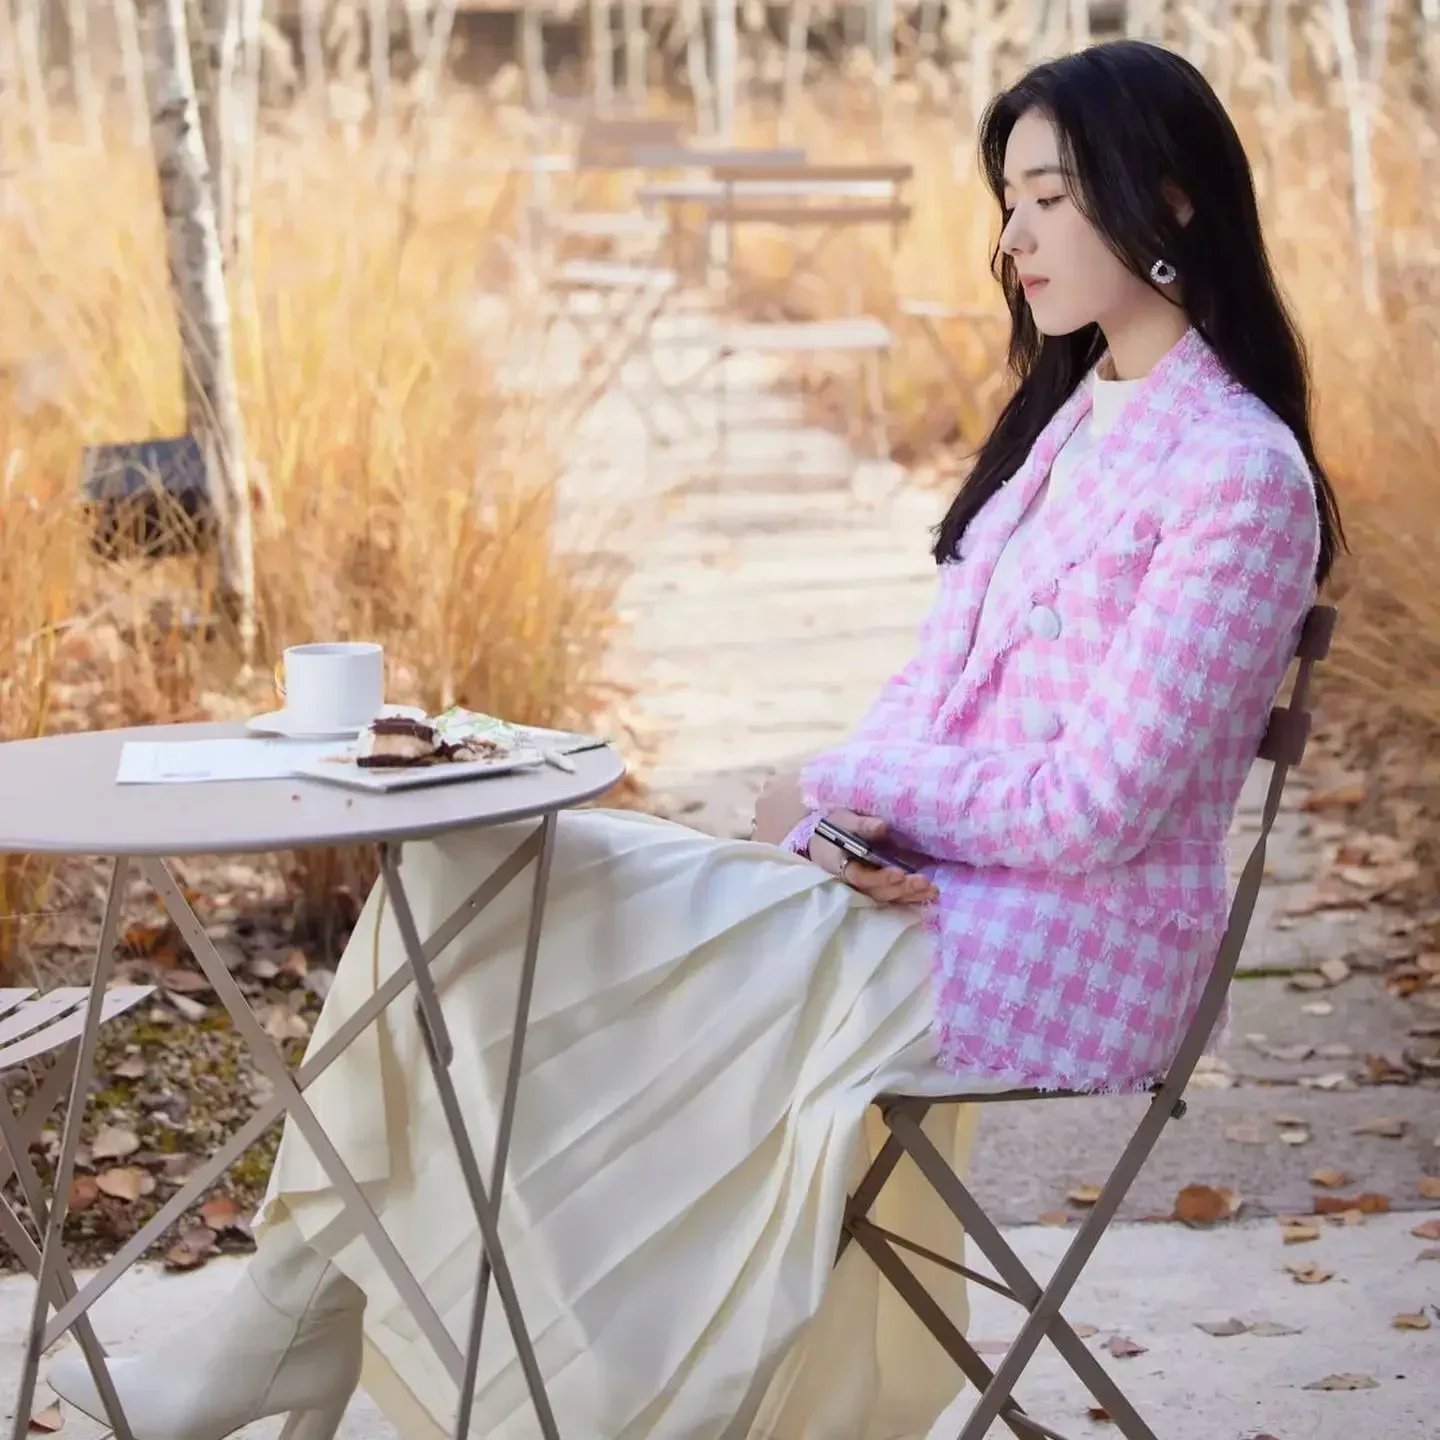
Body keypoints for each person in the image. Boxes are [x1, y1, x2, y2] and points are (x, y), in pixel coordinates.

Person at [51, 37, 1343, 1440]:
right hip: (907, 896)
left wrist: (853, 785)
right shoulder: (1076, 421)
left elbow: (1099, 809)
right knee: (459, 874)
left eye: (1048, 196)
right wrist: (853, 825)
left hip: (1066, 951)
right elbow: (927, 698)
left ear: (1170, 199)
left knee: (514, 920)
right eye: (1008, 201)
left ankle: (360, 1342)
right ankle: (294, 1319)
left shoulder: (1241, 475)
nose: (1014, 235)